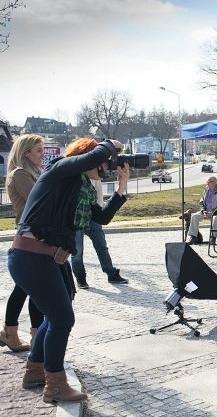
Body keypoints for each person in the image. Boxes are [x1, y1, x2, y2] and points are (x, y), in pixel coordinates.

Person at [8, 137, 129, 403]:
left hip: (46, 260)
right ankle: (55, 385)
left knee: (54, 317)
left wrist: (121, 186)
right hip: (32, 257)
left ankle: (35, 371)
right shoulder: (60, 170)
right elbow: (89, 158)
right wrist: (109, 144)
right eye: (104, 161)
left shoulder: (80, 187)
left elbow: (102, 217)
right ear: (89, 157)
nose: (106, 166)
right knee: (63, 319)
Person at [1, 135, 45, 352]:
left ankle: (10, 331)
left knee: (24, 287)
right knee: (34, 287)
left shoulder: (34, 172)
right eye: (38, 150)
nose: (42, 153)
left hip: (35, 235)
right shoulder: (20, 174)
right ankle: (35, 336)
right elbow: (37, 202)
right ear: (26, 152)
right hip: (30, 236)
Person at [71, 178, 128, 289]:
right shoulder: (78, 174)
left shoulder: (96, 174)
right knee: (77, 251)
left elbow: (99, 197)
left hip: (94, 216)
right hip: (78, 217)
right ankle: (80, 278)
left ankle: (111, 274)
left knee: (102, 246)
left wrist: (100, 212)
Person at [187, 176, 217, 245]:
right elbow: (201, 202)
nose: (208, 183)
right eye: (208, 181)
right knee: (194, 216)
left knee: (215, 218)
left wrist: (212, 212)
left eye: (210, 181)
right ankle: (193, 237)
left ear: (215, 182)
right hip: (205, 212)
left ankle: (213, 238)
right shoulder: (206, 191)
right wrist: (203, 211)